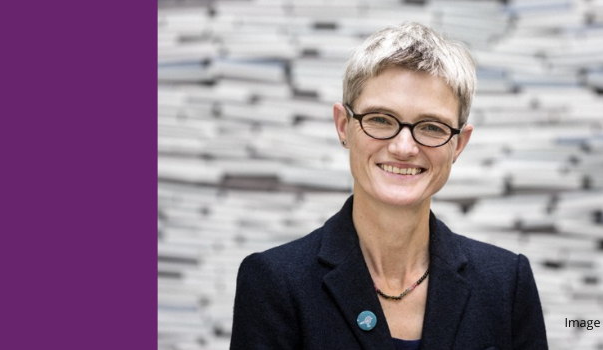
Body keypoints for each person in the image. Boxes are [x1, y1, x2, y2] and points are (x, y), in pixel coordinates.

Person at [230, 22, 548, 350]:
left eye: (431, 126)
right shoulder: (274, 282)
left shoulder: (507, 282)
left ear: (459, 144)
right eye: (381, 119)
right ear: (343, 126)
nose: (403, 147)